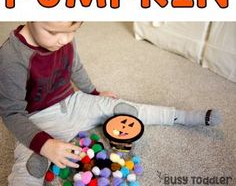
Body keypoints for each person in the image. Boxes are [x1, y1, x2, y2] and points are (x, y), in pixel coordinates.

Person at [0, 21, 221, 186]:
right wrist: (45, 145)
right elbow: (11, 114)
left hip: (73, 101)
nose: (64, 40)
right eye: (54, 32)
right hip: (37, 119)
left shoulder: (64, 37)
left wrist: (95, 93)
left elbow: (75, 68)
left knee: (122, 108)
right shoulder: (12, 55)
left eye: (73, 30)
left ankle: (181, 117)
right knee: (30, 167)